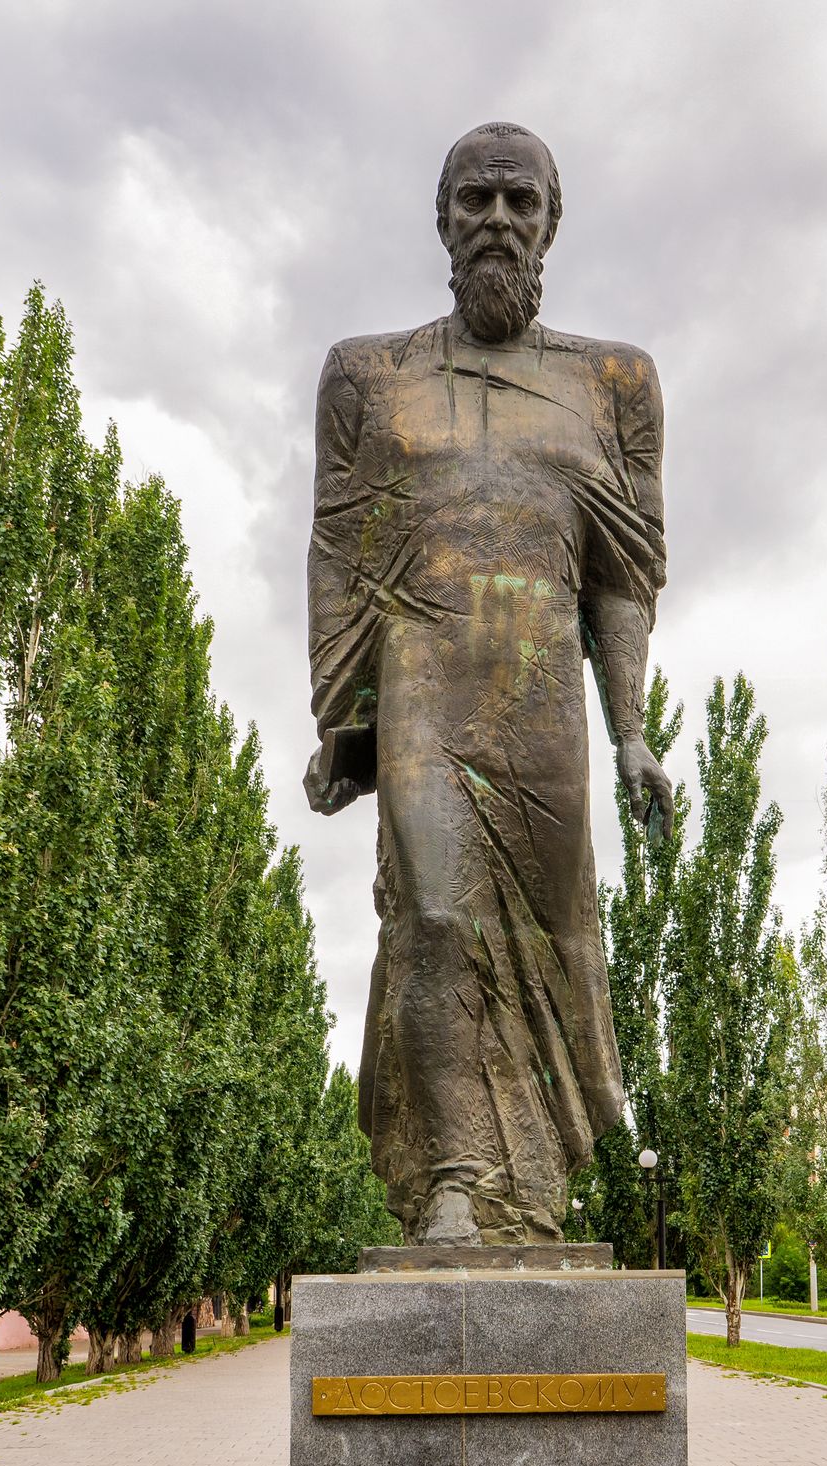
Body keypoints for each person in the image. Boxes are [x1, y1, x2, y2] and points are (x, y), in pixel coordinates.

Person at [304, 121, 673, 1245]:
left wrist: (631, 736)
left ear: (552, 222)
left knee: (554, 948)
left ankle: (534, 1191)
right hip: (422, 673)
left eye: (521, 201)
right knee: (432, 915)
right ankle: (455, 1178)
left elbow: (622, 580)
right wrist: (346, 721)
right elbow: (339, 557)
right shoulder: (369, 375)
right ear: (443, 219)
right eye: (477, 200)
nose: (498, 220)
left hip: (544, 708)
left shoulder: (614, 383)